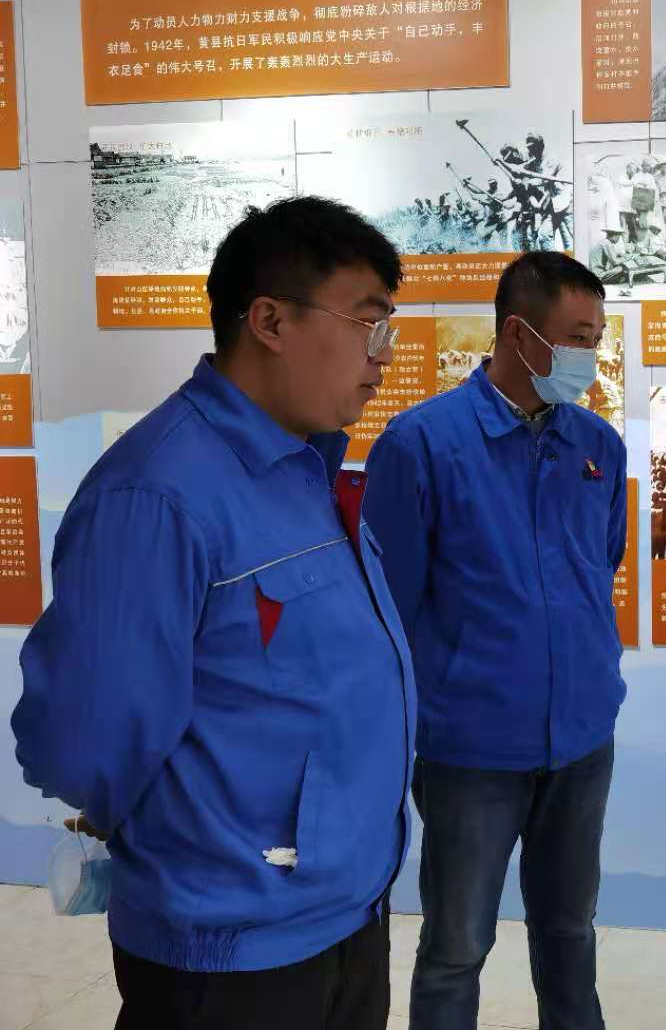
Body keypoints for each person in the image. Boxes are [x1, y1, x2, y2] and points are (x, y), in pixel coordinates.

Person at [10, 197, 414, 1030]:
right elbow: (84, 739)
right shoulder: (156, 494)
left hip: (341, 919)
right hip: (229, 954)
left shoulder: (304, 470)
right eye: (368, 324)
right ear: (269, 320)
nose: (384, 356)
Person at [364, 252, 627, 1030]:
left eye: (597, 338)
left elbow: (602, 563)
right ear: (519, 334)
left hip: (582, 742)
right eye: (578, 338)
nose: (590, 356)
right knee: (456, 947)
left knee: (571, 934)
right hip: (470, 751)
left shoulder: (597, 446)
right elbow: (388, 607)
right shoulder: (421, 444)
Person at [632, 220, 666, 284]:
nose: (653, 231)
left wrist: (663, 250)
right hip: (653, 255)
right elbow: (644, 244)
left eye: (654, 229)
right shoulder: (650, 233)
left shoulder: (665, 233)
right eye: (651, 229)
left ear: (658, 229)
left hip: (664, 253)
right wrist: (637, 245)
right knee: (640, 256)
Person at [588, 226, 633, 296]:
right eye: (618, 236)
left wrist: (620, 254)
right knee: (621, 268)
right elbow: (615, 261)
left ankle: (619, 279)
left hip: (594, 273)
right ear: (613, 236)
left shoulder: (603, 242)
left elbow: (613, 254)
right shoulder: (607, 243)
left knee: (619, 270)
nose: (619, 239)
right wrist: (628, 258)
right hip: (598, 275)